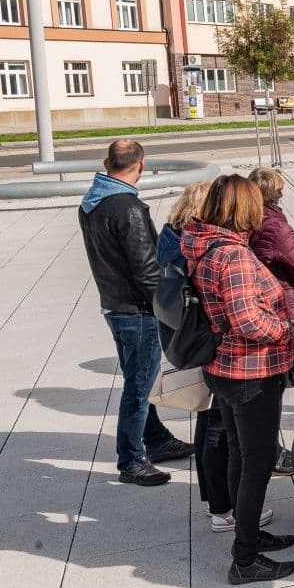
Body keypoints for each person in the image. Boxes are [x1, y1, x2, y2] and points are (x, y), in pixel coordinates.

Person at [182, 175, 294, 584]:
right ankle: (245, 559)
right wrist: (285, 331)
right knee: (257, 462)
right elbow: (248, 320)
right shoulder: (232, 255)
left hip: (222, 368)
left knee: (239, 453)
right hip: (250, 371)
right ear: (243, 209)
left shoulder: (202, 243)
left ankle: (247, 532)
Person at [79, 138, 193, 487]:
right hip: (137, 309)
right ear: (141, 166)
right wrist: (168, 308)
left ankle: (156, 439)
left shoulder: (92, 201)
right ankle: (131, 460)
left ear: (107, 162)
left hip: (115, 304)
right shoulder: (127, 207)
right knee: (139, 387)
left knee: (139, 377)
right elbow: (146, 270)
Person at [248, 168, 294, 475]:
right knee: (277, 383)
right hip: (284, 308)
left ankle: (266, 448)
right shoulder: (276, 226)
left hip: (261, 307)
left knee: (270, 384)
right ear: (277, 193)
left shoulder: (247, 220)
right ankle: (271, 453)